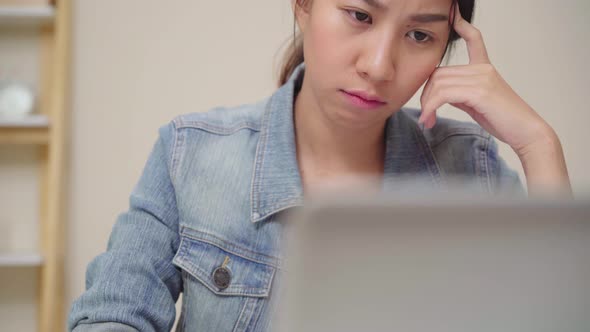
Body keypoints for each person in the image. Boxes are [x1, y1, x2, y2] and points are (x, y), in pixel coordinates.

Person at [68, 0, 572, 331]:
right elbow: (111, 317)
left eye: (420, 36)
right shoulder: (190, 152)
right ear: (304, 6)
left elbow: (557, 318)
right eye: (359, 14)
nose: (379, 65)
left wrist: (538, 145)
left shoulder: (472, 168)